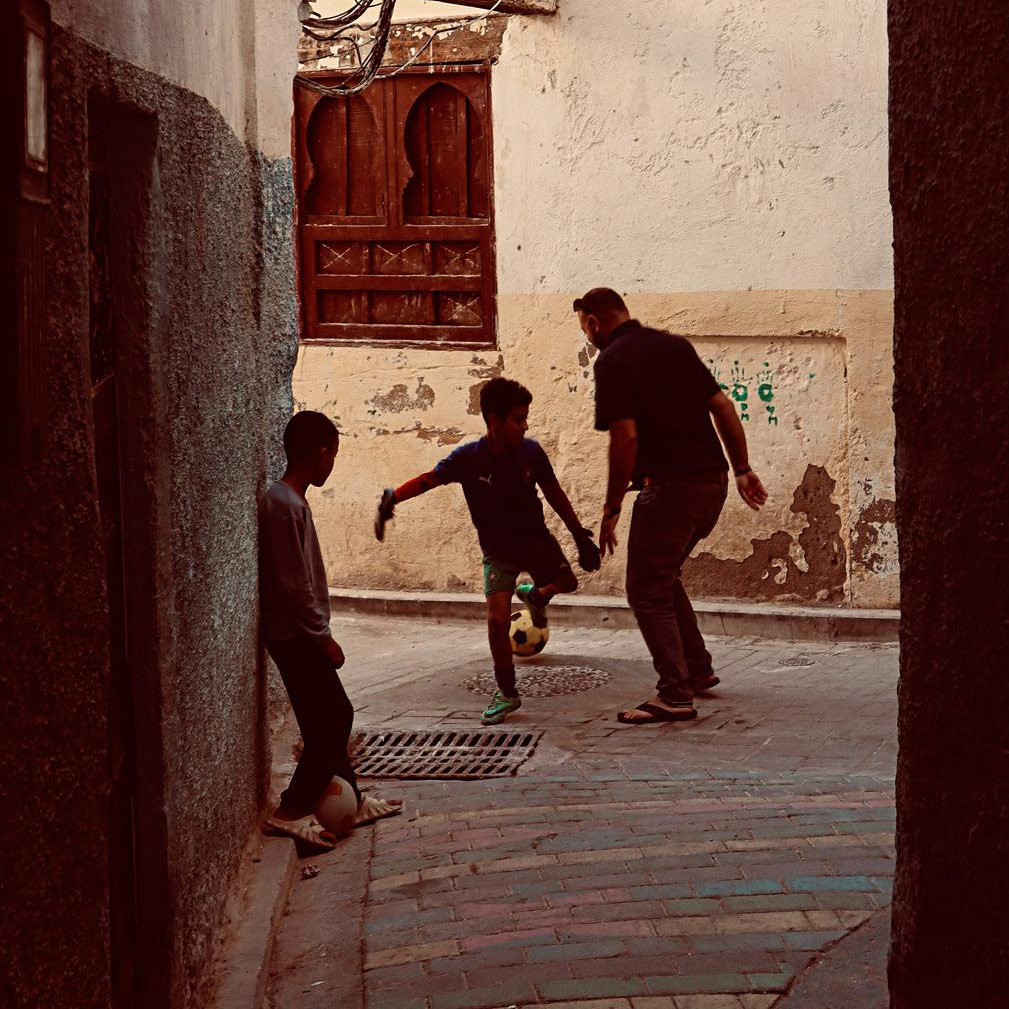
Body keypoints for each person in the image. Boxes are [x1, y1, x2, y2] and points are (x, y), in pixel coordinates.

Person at [574, 288, 768, 725]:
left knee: (645, 589)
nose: (587, 336)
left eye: (584, 328)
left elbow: (625, 437)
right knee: (664, 577)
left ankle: (675, 695)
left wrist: (611, 508)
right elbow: (722, 406)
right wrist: (742, 468)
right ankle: (697, 670)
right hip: (712, 485)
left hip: (670, 491)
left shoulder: (612, 360)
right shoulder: (675, 345)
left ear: (593, 322)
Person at [374, 377, 601, 725]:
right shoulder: (468, 458)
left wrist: (579, 534)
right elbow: (428, 479)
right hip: (497, 551)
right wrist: (394, 497)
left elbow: (554, 492)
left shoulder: (531, 452)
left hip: (536, 542)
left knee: (568, 583)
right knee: (497, 621)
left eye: (526, 418)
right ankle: (507, 692)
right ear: (494, 420)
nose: (525, 426)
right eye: (518, 419)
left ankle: (537, 596)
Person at [259, 410, 401, 853]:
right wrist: (322, 636)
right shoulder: (284, 505)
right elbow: (293, 582)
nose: (332, 464)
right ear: (321, 454)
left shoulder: (289, 502)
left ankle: (350, 799)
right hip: (294, 635)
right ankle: (290, 810)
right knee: (335, 718)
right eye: (333, 455)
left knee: (329, 717)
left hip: (298, 632)